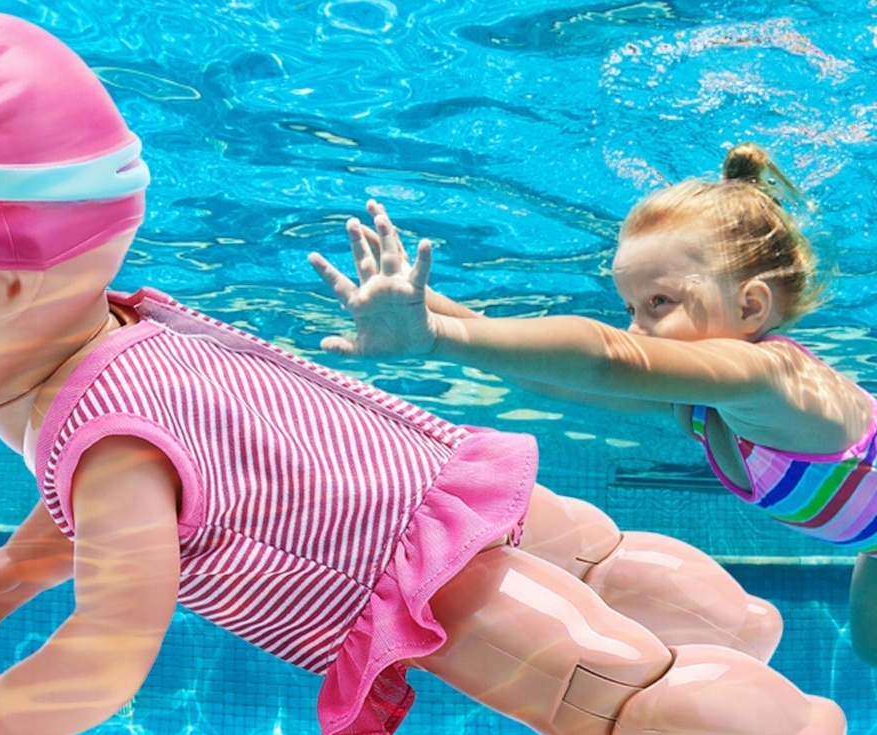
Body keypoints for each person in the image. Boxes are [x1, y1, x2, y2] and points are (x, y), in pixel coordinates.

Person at [0, 9, 844, 735]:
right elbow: (96, 487)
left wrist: (21, 709)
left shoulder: (108, 444)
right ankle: (734, 626)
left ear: (8, 289)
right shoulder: (126, 326)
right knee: (598, 564)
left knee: (605, 702)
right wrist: (24, 560)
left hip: (407, 569)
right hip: (438, 475)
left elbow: (116, 632)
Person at [309, 151, 877, 670]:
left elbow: (607, 357)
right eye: (630, 309)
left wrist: (440, 337)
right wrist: (427, 314)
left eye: (659, 303)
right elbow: (554, 377)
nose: (637, 328)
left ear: (751, 306)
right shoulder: (699, 403)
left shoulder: (773, 379)